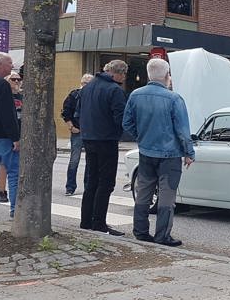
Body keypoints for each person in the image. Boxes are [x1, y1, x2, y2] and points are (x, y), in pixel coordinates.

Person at [122, 58, 194, 247]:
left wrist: (141, 137)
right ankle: (162, 235)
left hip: (146, 152)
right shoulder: (174, 99)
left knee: (143, 193)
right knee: (167, 196)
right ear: (167, 76)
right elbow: (182, 130)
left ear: (149, 75)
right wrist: (189, 152)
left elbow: (127, 123)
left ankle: (140, 231)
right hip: (170, 155)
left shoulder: (135, 95)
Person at [77, 60, 128, 235]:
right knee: (106, 182)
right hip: (106, 139)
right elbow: (120, 117)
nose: (124, 78)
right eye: (124, 74)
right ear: (118, 73)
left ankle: (86, 221)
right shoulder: (114, 90)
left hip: (88, 138)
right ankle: (99, 222)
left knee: (92, 180)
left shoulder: (87, 88)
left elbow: (78, 112)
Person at [0, 53, 20, 220]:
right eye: (9, 63)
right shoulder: (1, 84)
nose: (12, 66)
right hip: (3, 136)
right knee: (14, 172)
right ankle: (15, 210)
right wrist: (15, 137)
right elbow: (6, 113)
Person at [61, 73, 94, 196]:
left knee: (90, 161)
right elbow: (66, 112)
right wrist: (71, 126)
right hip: (78, 130)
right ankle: (70, 187)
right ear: (82, 83)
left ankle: (87, 187)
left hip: (90, 131)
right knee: (74, 160)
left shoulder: (93, 96)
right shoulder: (74, 95)